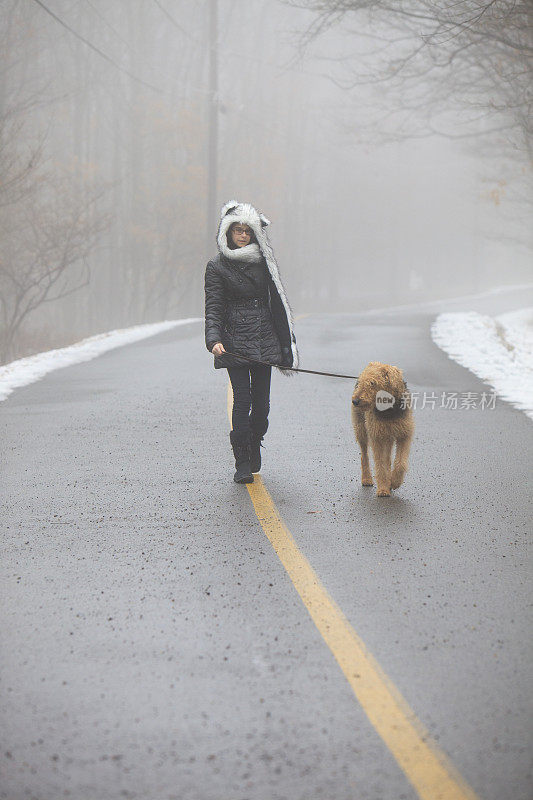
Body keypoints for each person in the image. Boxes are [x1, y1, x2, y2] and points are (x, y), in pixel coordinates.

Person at [204, 200, 298, 483]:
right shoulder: (217, 267)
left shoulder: (264, 263)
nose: (242, 236)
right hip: (233, 340)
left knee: (262, 405)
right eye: (237, 231)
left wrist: (286, 347)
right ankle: (242, 460)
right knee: (241, 400)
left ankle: (256, 440)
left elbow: (278, 304)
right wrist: (214, 339)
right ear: (228, 233)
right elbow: (214, 307)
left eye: (247, 231)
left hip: (264, 339)